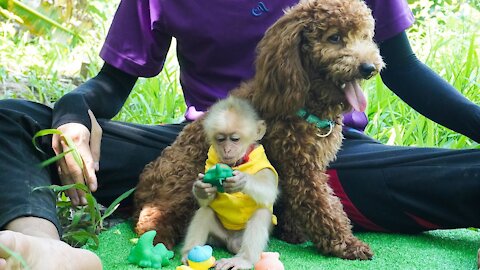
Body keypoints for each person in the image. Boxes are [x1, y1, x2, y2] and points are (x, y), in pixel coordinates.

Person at [0, 0, 479, 269]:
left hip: (328, 155)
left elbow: (406, 71)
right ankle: (41, 247)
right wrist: (71, 117)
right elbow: (111, 82)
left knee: (459, 172)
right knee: (15, 117)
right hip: (211, 142)